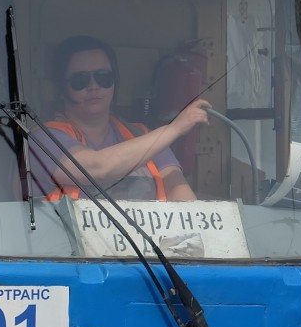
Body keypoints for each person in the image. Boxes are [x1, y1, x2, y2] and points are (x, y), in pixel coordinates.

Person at [30, 35, 210, 202]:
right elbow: (97, 167)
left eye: (103, 77)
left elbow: (178, 190)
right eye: (80, 80)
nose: (94, 86)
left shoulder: (142, 135)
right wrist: (174, 128)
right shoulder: (42, 140)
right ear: (61, 88)